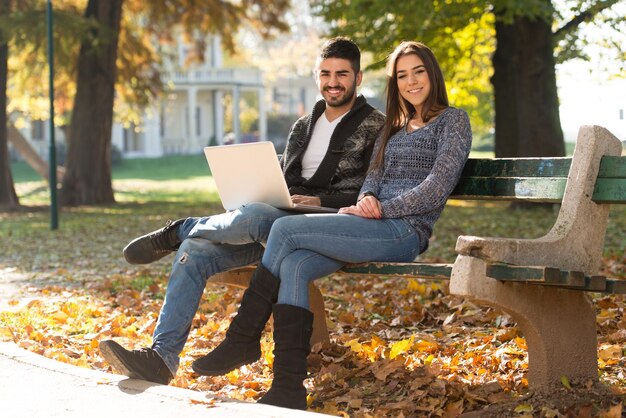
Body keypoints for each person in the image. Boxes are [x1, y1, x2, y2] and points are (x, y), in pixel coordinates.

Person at [192, 41, 473, 410]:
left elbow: (436, 188)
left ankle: (243, 337)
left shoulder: (453, 121)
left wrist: (382, 208)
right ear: (396, 83)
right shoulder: (394, 126)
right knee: (293, 263)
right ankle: (288, 387)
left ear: (432, 74)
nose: (411, 81)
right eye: (402, 75)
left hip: (405, 231)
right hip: (369, 222)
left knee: (283, 230)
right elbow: (373, 176)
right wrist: (367, 199)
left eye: (418, 72)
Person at [98, 37, 385, 386]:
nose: (333, 81)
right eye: (325, 73)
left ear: (358, 76)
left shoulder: (377, 126)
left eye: (342, 74)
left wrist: (320, 203)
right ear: (316, 75)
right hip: (277, 222)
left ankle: (179, 229)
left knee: (254, 217)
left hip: (323, 229)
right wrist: (265, 189)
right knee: (195, 251)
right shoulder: (303, 126)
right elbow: (284, 179)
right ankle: (161, 358)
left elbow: (374, 190)